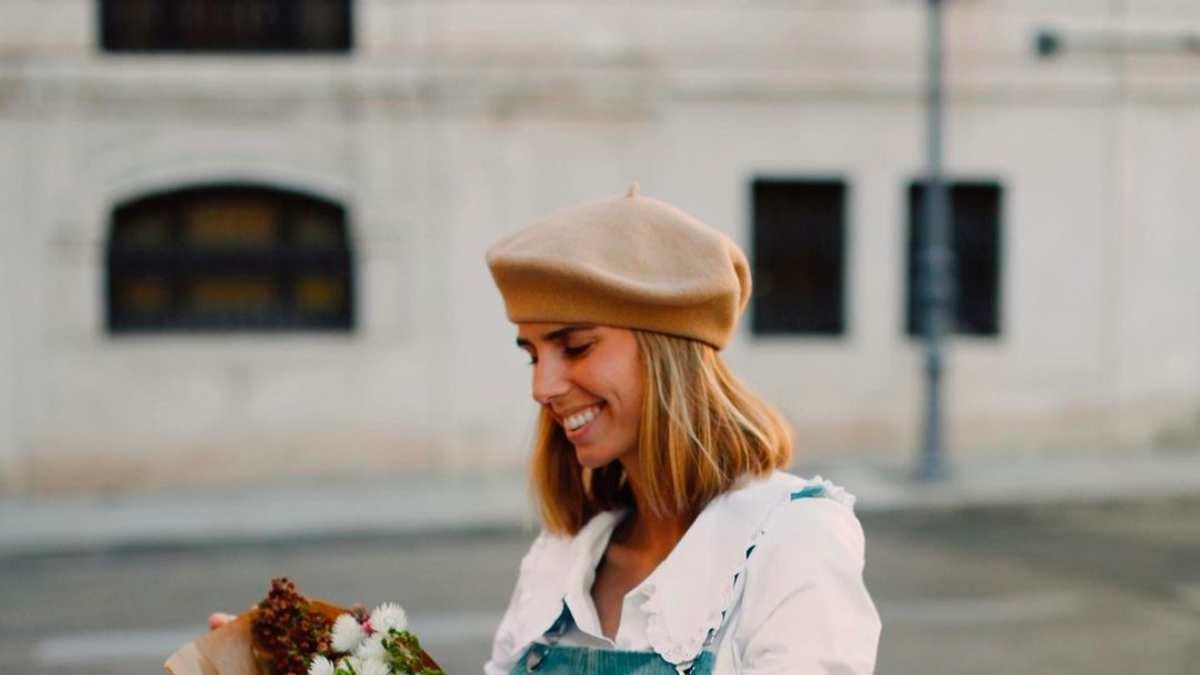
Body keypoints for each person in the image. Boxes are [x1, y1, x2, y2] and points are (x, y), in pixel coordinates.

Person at [481, 183, 880, 675]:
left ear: (665, 350)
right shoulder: (561, 557)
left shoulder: (790, 541)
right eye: (533, 356)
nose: (542, 387)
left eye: (577, 347)